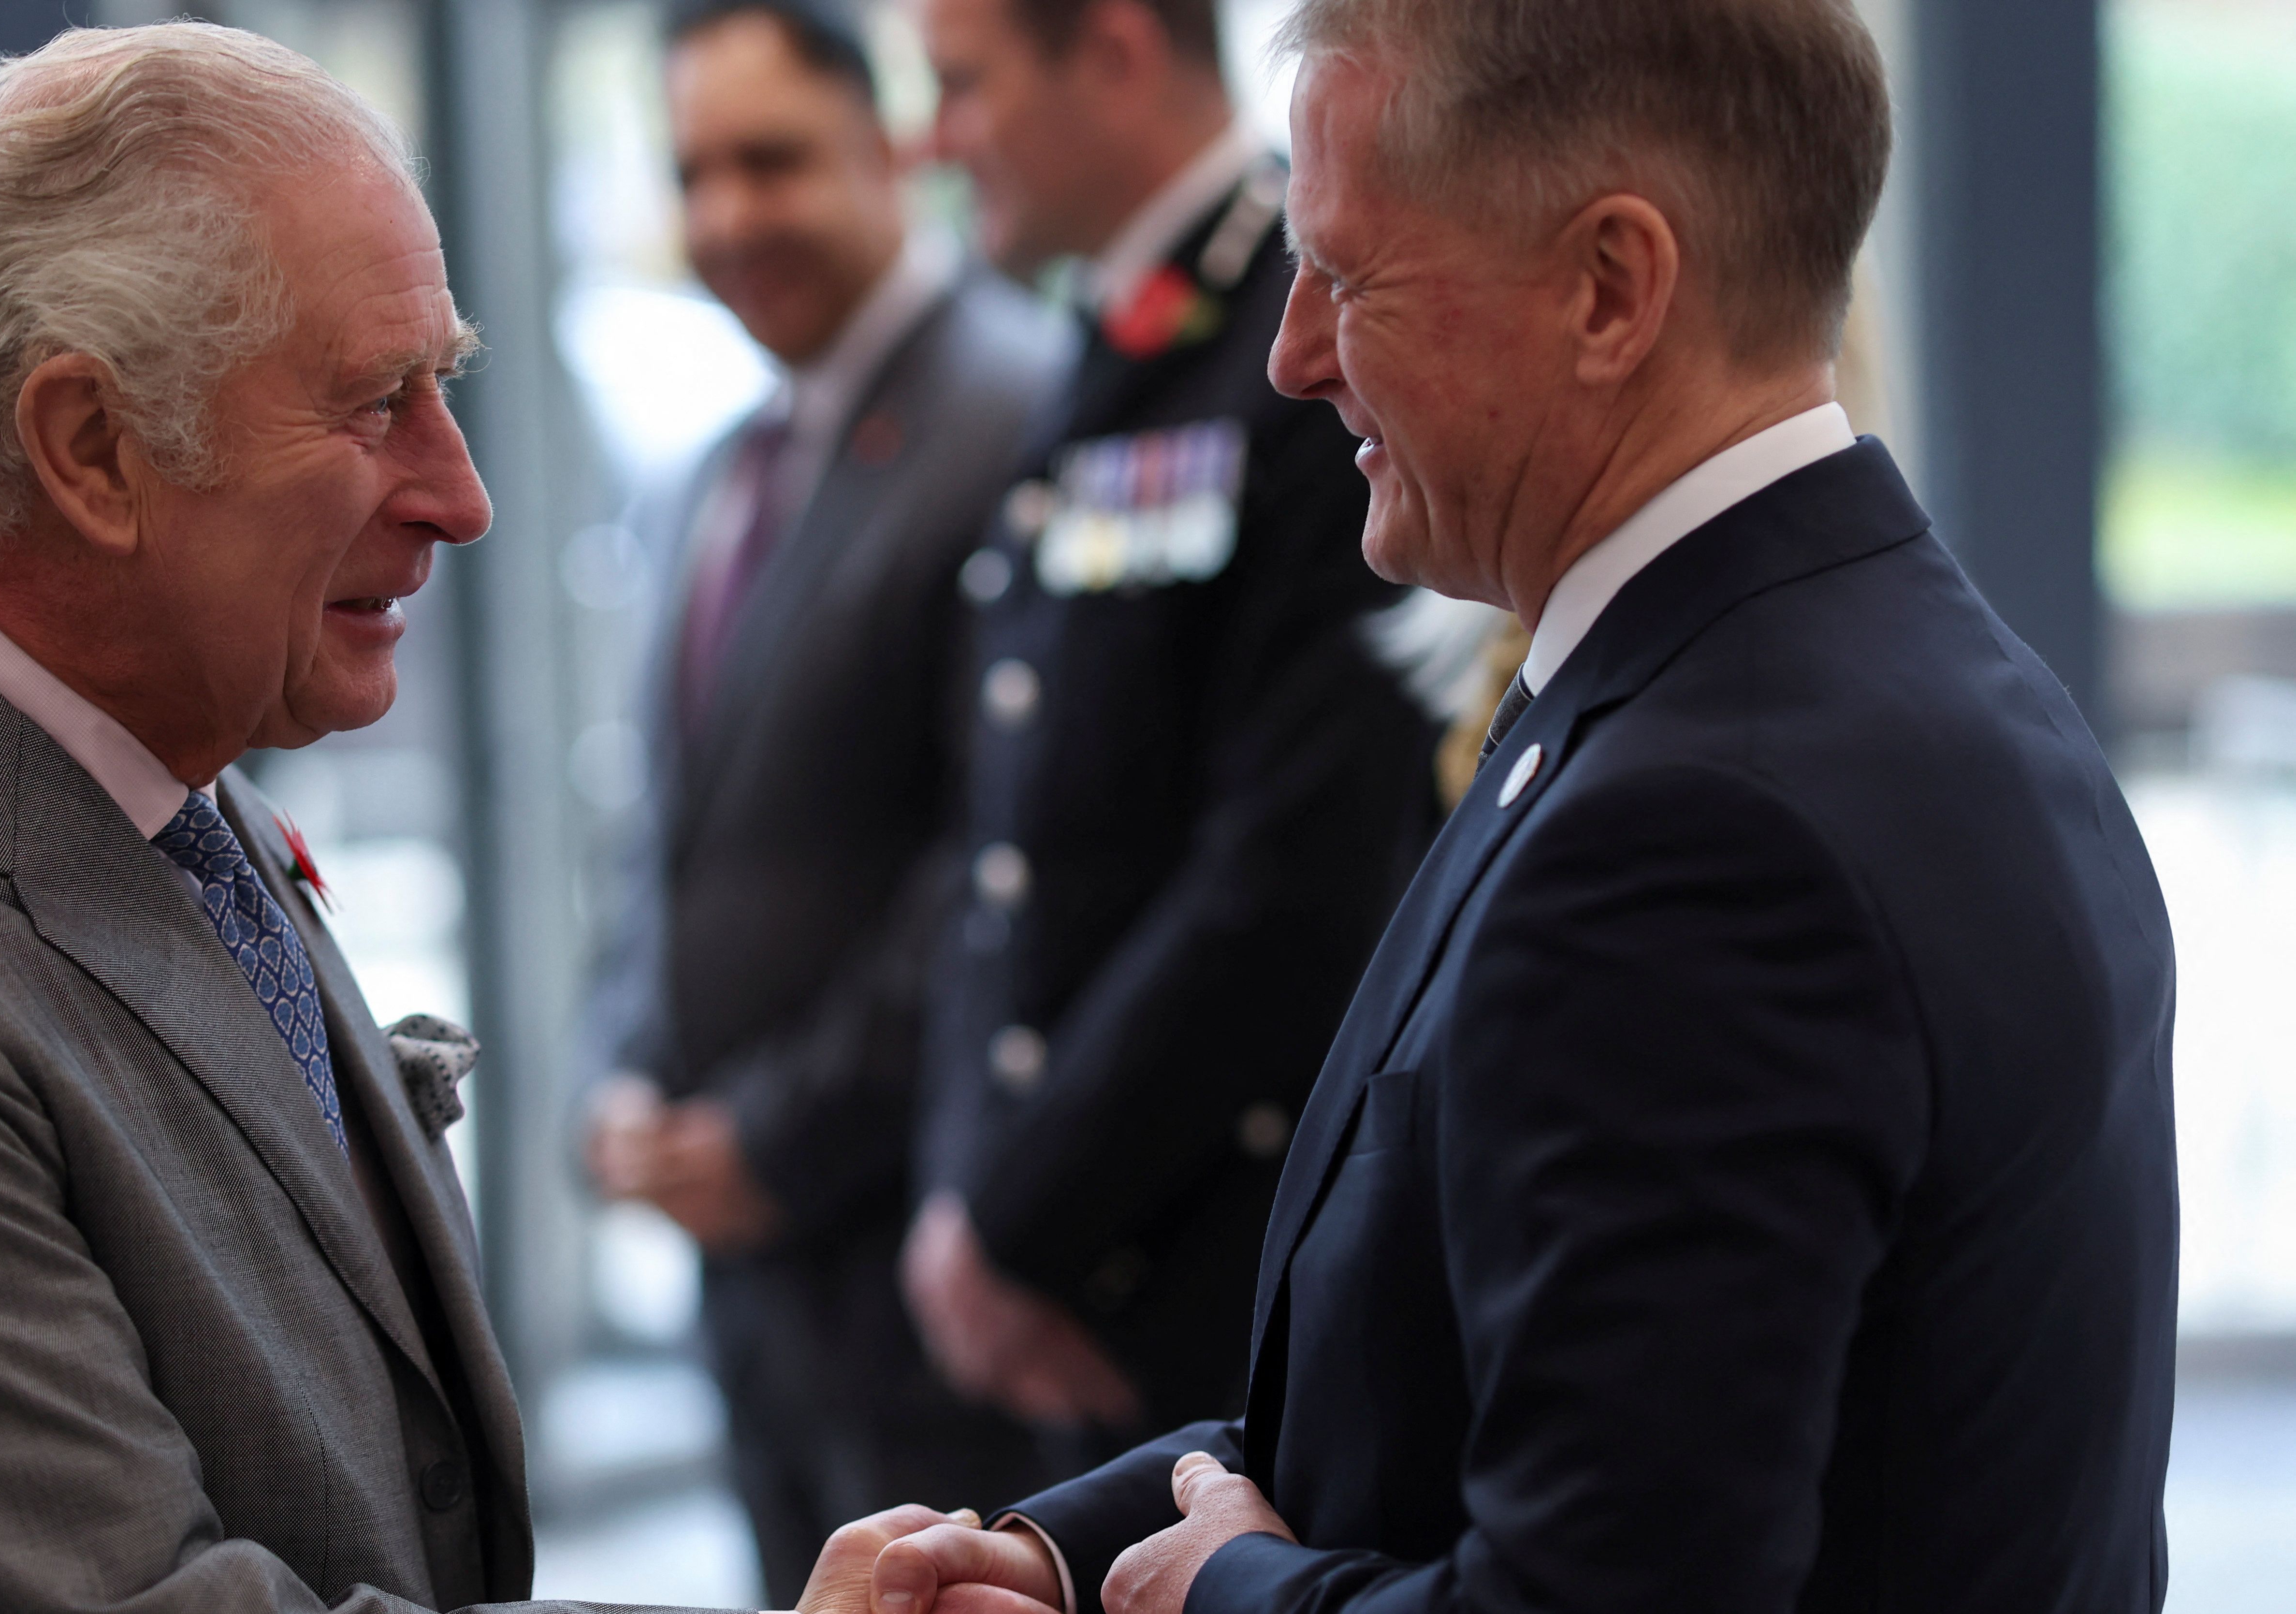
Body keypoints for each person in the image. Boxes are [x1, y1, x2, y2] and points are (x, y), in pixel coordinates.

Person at [0, 24, 952, 1614]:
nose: (461, 494)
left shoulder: (161, 763)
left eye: (444, 385)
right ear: (90, 448)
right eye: (375, 402)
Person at [866, 1, 2180, 1611]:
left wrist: (1224, 1596)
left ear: (1611, 288)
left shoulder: (1702, 832)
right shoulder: (1857, 672)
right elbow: (1432, 1393)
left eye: (1348, 277)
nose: (1292, 354)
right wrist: (1056, 1560)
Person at [581, 2, 1071, 1602]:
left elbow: (1004, 849)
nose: (729, 216)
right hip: (755, 1280)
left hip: (928, 1269)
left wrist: (776, 1136)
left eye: (773, 161)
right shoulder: (714, 467)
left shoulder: (1017, 406)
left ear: (890, 150)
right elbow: (672, 826)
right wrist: (624, 1067)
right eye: (694, 173)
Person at [900, 0, 1437, 1450]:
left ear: (1117, 53)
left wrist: (1018, 1219)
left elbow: (1297, 869)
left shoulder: (1299, 337)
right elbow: (1006, 845)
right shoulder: (1107, 330)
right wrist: (970, 1199)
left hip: (1217, 1268)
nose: (934, 140)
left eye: (962, 86)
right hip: (1066, 1276)